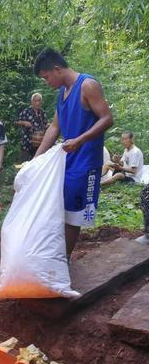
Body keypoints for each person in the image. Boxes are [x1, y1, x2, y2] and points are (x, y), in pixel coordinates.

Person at [33, 47, 113, 258]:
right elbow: (54, 127)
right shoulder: (63, 92)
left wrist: (80, 140)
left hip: (86, 162)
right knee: (60, 210)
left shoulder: (87, 85)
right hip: (67, 161)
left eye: (46, 77)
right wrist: (35, 160)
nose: (46, 82)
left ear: (57, 69)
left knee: (74, 217)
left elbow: (107, 118)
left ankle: (63, 261)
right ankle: (57, 257)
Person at [16, 93, 48, 160]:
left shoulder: (42, 112)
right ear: (32, 102)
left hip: (39, 144)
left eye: (39, 101)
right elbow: (16, 122)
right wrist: (24, 122)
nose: (37, 103)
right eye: (35, 101)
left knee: (37, 164)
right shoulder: (26, 111)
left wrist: (48, 125)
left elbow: (45, 124)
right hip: (27, 143)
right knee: (25, 164)